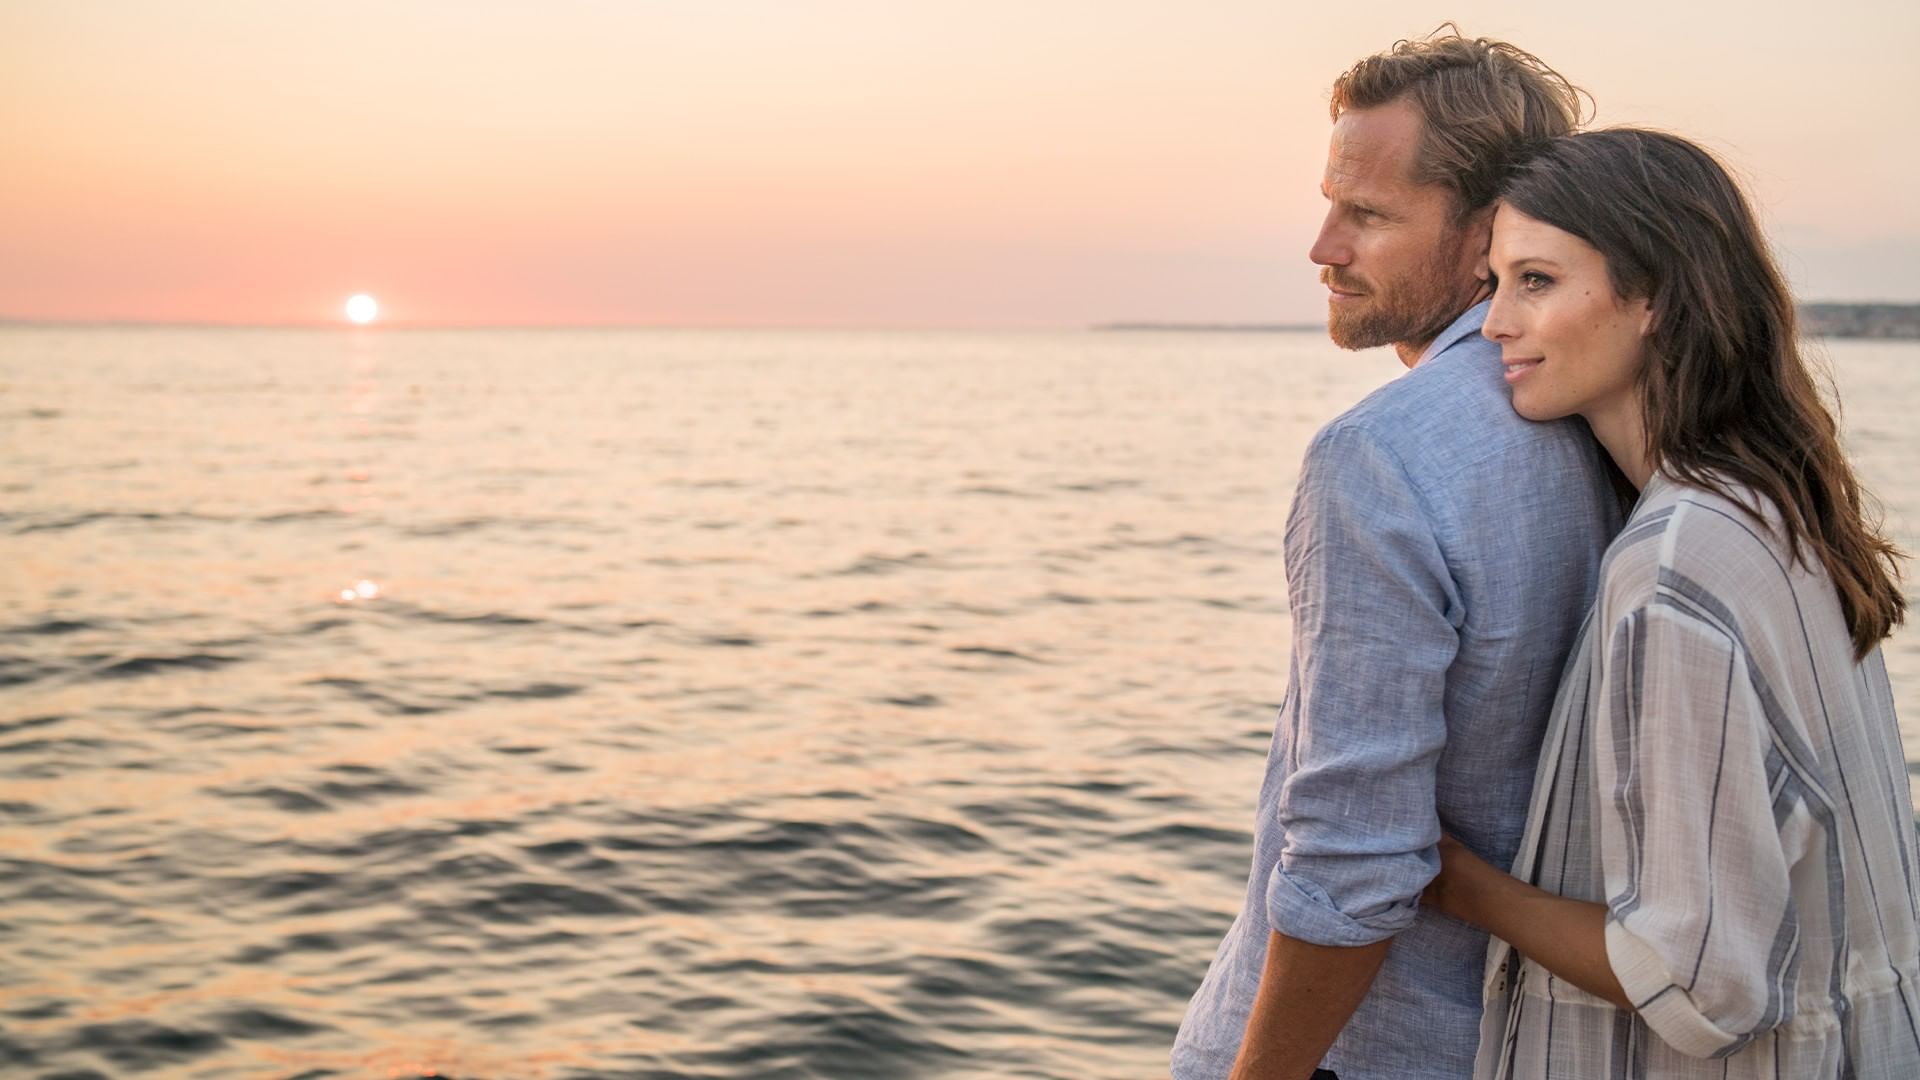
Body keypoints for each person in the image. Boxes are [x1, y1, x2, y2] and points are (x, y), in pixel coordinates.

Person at [1171, 29, 1623, 1080]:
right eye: (1331, 203)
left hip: (1369, 1052)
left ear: (1492, 237)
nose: (1324, 246)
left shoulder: (1380, 457)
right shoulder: (1611, 421)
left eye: (1369, 215)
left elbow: (1355, 859)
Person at [1423, 128, 1920, 1077]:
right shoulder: (1775, 505)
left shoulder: (1676, 564)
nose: (1492, 325)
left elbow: (1700, 981)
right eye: (1495, 283)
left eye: (1537, 280)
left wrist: (1464, 886)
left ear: (1652, 295)